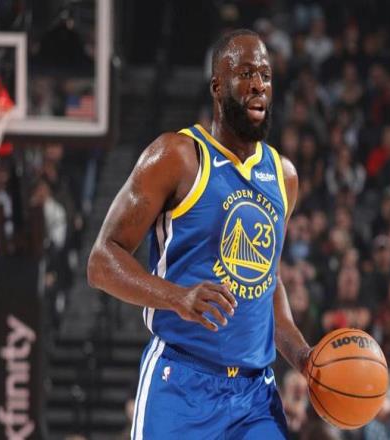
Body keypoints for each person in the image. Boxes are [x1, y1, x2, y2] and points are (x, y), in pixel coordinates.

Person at [87, 29, 313, 439]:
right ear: (216, 86)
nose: (259, 84)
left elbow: (269, 281)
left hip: (255, 397)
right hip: (180, 384)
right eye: (245, 73)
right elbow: (102, 261)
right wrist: (178, 297)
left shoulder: (284, 177)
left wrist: (302, 357)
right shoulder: (176, 156)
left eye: (265, 75)